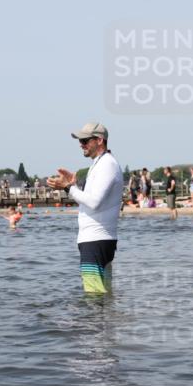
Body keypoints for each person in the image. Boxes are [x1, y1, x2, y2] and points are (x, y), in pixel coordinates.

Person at [47, 123, 123, 293]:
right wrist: (73, 186)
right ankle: (103, 320)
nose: (81, 144)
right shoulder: (99, 164)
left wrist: (68, 187)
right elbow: (90, 202)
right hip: (97, 239)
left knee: (94, 295)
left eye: (85, 140)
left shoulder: (107, 165)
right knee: (103, 294)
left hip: (96, 240)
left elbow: (94, 202)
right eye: (80, 141)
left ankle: (93, 321)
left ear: (100, 140)